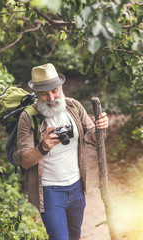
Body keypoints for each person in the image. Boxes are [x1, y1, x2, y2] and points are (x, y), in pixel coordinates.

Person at [13, 63, 109, 240]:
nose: (51, 98)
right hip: (50, 191)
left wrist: (100, 128)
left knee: (75, 236)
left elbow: (93, 137)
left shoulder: (74, 107)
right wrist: (43, 147)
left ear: (61, 88)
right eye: (44, 93)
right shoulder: (29, 117)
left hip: (77, 187)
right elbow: (24, 160)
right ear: (37, 94)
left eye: (55, 90)